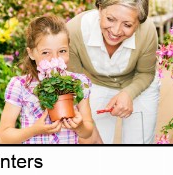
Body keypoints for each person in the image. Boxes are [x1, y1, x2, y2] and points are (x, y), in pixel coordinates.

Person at [67, 0, 160, 144]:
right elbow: (75, 81)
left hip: (139, 83)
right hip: (92, 85)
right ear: (100, 9)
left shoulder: (147, 31)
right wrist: (87, 122)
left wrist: (128, 93)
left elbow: (145, 73)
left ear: (138, 23)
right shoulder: (74, 31)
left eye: (127, 25)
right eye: (110, 19)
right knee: (95, 140)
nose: (116, 31)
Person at [0, 15, 101, 144]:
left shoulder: (79, 82)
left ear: (69, 49)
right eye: (46, 52)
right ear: (31, 53)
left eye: (62, 51)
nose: (55, 59)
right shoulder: (20, 85)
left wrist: (79, 126)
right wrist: (35, 130)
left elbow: (88, 131)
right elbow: (4, 138)